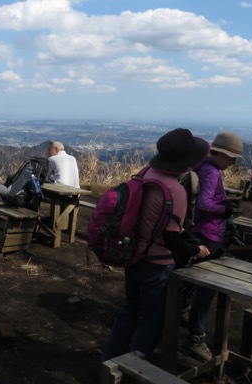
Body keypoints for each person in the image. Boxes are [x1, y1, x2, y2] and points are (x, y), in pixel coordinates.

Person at [102, 128, 211, 361]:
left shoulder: (146, 174)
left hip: (132, 254)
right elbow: (172, 239)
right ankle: (133, 371)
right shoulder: (176, 191)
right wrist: (196, 250)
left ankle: (110, 360)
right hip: (157, 264)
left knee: (129, 311)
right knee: (150, 320)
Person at [179, 131, 244, 361]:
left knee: (192, 280)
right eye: (233, 158)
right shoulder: (212, 172)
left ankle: (183, 311)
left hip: (196, 231)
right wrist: (224, 210)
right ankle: (195, 337)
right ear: (223, 155)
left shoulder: (201, 166)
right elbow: (205, 204)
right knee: (206, 288)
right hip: (208, 234)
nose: (234, 162)